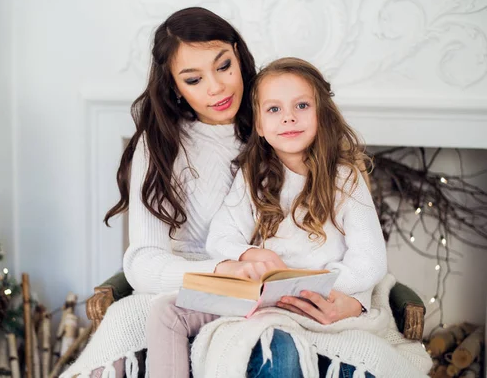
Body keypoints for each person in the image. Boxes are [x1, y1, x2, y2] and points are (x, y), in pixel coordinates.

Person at [61, 9, 364, 378]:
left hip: (276, 292)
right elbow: (142, 262)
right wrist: (224, 269)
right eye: (193, 79)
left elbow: (337, 228)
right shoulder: (157, 147)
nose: (216, 88)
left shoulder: (277, 122)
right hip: (191, 287)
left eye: (223, 66)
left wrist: (348, 297)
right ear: (174, 86)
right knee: (130, 336)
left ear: (238, 55)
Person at [146, 57, 387, 378]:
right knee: (166, 309)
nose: (288, 118)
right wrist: (249, 254)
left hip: (312, 301)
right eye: (274, 109)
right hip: (259, 297)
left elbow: (370, 261)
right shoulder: (255, 177)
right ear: (258, 125)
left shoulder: (345, 179)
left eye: (301, 105)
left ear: (322, 114)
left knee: (277, 344)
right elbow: (220, 238)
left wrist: (317, 287)